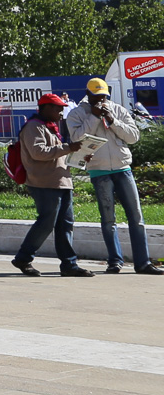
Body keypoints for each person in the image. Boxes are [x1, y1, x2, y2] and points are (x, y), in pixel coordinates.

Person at [67, 77, 160, 274]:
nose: (101, 101)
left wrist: (113, 120)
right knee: (108, 219)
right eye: (96, 97)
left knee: (136, 217)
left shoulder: (117, 109)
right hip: (99, 170)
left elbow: (133, 137)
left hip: (122, 168)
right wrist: (93, 118)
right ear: (88, 95)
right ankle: (115, 261)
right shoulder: (77, 114)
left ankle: (143, 263)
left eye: (103, 96)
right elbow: (76, 139)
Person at [11, 93, 90, 277]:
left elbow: (57, 155)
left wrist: (79, 156)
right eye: (58, 109)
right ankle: (23, 258)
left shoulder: (49, 127)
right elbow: (38, 152)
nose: (61, 113)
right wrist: (69, 147)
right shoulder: (33, 127)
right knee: (46, 223)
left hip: (61, 182)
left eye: (62, 109)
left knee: (65, 225)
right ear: (46, 108)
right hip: (44, 183)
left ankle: (69, 264)